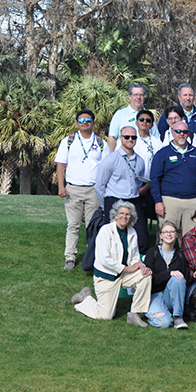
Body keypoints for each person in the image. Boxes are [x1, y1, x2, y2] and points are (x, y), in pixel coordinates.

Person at [70, 201, 152, 326]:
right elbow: (104, 259)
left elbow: (134, 256)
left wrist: (141, 266)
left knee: (145, 276)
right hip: (106, 277)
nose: (124, 217)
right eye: (121, 213)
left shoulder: (132, 232)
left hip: (123, 274)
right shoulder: (105, 231)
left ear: (131, 217)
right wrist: (127, 268)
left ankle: (133, 314)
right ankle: (85, 298)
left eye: (128, 214)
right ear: (115, 215)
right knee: (105, 316)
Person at [55, 109, 106, 270]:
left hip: (93, 190)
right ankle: (70, 257)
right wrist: (61, 186)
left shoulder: (100, 143)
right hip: (73, 189)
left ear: (93, 122)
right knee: (73, 225)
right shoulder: (68, 141)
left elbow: (106, 167)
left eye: (88, 120)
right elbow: (61, 165)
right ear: (77, 123)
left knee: (93, 226)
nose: (85, 123)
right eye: (82, 121)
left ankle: (93, 258)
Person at [150, 120, 196, 235]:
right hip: (170, 201)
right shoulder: (163, 153)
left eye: (184, 131)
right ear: (172, 132)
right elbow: (155, 179)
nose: (181, 134)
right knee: (168, 235)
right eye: (178, 131)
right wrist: (158, 201)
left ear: (188, 133)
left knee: (191, 238)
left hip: (193, 201)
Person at [95, 125, 149, 252]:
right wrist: (105, 206)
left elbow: (139, 181)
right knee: (112, 237)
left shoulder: (140, 161)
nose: (130, 139)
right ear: (120, 138)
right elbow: (99, 185)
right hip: (114, 200)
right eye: (127, 137)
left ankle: (136, 264)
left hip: (133, 200)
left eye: (133, 137)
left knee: (142, 238)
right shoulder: (111, 159)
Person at [144, 221, 191, 329]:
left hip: (171, 296)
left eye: (172, 232)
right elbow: (149, 278)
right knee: (164, 323)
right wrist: (169, 273)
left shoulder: (180, 254)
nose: (169, 234)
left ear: (176, 235)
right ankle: (156, 312)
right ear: (160, 235)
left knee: (178, 279)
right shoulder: (152, 252)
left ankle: (177, 317)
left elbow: (185, 278)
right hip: (154, 294)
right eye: (165, 232)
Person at [108, 83, 157, 151]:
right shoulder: (120, 114)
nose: (138, 97)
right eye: (135, 95)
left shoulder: (149, 117)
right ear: (130, 96)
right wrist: (112, 156)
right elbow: (112, 138)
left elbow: (156, 136)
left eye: (141, 95)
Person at [133, 109, 164, 219]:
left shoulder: (157, 143)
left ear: (151, 124)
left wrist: (147, 186)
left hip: (150, 185)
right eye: (141, 119)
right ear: (136, 122)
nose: (144, 122)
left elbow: (160, 167)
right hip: (131, 185)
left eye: (148, 120)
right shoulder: (129, 139)